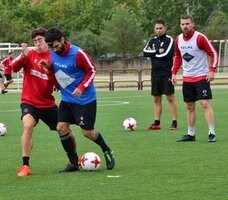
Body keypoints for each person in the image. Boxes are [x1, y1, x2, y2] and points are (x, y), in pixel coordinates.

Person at [42, 27, 115, 171]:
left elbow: (92, 70)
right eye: (51, 47)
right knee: (61, 128)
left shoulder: (78, 53)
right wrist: (49, 69)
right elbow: (56, 77)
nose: (54, 50)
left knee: (87, 132)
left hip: (85, 100)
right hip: (67, 99)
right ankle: (73, 163)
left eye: (56, 46)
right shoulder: (51, 53)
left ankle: (107, 150)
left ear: (62, 40)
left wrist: (81, 87)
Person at [11, 28, 78, 177]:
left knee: (64, 129)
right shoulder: (29, 54)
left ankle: (73, 159)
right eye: (34, 41)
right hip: (29, 102)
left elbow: (60, 80)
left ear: (47, 42)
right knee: (27, 125)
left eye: (40, 40)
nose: (37, 44)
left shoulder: (55, 58)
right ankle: (26, 166)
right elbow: (13, 68)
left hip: (47, 104)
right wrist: (23, 56)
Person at [171, 15, 218, 142]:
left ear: (192, 24)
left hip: (201, 77)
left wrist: (212, 70)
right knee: (189, 106)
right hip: (187, 78)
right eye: (182, 24)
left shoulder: (200, 38)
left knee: (205, 103)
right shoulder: (178, 39)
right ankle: (191, 134)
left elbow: (213, 53)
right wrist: (174, 73)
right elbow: (178, 57)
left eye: (187, 24)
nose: (185, 26)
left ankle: (212, 133)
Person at [143, 19, 177, 130]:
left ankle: (174, 122)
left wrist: (153, 53)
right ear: (154, 29)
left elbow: (166, 55)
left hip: (166, 73)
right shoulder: (152, 41)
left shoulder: (170, 40)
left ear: (165, 28)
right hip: (155, 74)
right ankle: (157, 123)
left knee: (170, 98)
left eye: (160, 28)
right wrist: (158, 51)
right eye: (157, 28)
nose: (158, 30)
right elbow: (145, 52)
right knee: (156, 99)